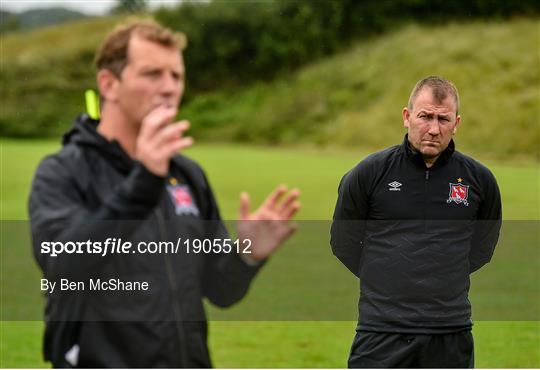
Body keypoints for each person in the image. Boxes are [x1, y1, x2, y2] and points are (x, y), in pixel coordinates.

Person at [29, 20, 300, 368]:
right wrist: (143, 182)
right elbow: (62, 264)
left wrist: (246, 257)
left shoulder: (187, 175)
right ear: (109, 84)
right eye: (152, 74)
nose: (169, 88)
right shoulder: (63, 172)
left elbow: (220, 290)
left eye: (176, 76)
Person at [330, 76, 501, 368]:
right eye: (425, 116)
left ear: (456, 123)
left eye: (443, 119)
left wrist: (441, 274)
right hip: (381, 331)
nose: (434, 129)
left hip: (450, 332)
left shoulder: (480, 180)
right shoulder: (369, 174)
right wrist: (387, 278)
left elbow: (481, 249)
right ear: (407, 117)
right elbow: (343, 243)